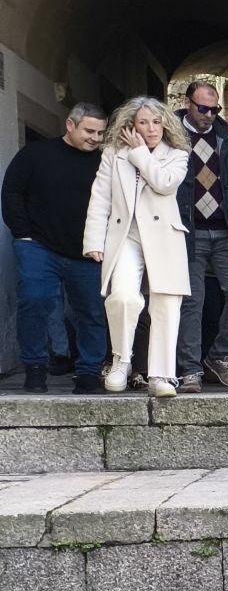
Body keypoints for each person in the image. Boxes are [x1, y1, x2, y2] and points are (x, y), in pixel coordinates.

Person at [81, 98, 190, 398]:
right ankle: (121, 360)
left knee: (166, 303)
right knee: (124, 297)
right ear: (131, 125)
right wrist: (93, 240)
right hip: (125, 235)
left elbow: (165, 183)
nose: (151, 128)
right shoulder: (113, 153)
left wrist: (140, 153)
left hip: (164, 237)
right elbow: (100, 197)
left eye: (156, 121)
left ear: (166, 123)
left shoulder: (178, 154)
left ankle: (162, 375)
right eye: (143, 122)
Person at [3, 102, 110, 393]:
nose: (95, 138)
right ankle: (35, 368)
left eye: (101, 133)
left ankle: (88, 373)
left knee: (92, 311)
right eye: (89, 131)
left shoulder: (105, 162)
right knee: (35, 301)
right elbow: (12, 192)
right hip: (38, 246)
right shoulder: (35, 154)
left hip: (88, 251)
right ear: (70, 125)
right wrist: (23, 234)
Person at [174, 79, 228, 391]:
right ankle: (190, 370)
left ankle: (220, 355)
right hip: (189, 233)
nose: (209, 114)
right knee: (191, 302)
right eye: (203, 108)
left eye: (215, 109)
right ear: (188, 104)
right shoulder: (171, 135)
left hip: (227, 232)